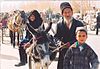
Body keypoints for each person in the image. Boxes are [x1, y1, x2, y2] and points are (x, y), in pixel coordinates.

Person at [54, 2, 84, 69]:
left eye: (69, 12)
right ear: (62, 14)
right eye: (65, 12)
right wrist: (59, 43)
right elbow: (56, 37)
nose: (67, 14)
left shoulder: (79, 24)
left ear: (72, 12)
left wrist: (71, 43)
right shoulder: (59, 25)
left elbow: (82, 38)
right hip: (63, 53)